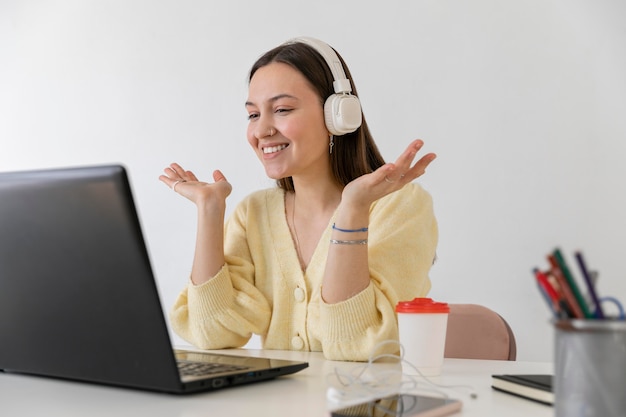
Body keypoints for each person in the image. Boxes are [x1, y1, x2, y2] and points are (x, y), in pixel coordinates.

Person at [159, 37, 438, 361]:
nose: (261, 130)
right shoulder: (254, 214)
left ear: (339, 115)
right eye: (252, 115)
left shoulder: (400, 206)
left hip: (365, 408)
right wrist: (209, 210)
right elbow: (213, 334)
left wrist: (353, 210)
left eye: (282, 110)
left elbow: (358, 344)